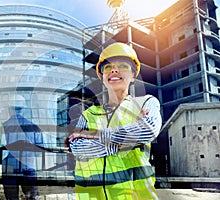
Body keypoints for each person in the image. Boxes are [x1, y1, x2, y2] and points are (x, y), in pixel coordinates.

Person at [68, 42, 162, 200]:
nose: (114, 70)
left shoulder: (145, 102)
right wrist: (123, 143)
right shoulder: (88, 114)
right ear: (103, 77)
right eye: (107, 67)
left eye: (123, 65)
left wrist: (97, 134)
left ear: (133, 75)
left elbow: (148, 130)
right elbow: (78, 148)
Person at [1, 94, 43, 200]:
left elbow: (0, 151)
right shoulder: (34, 127)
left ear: (10, 109)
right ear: (23, 109)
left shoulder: (3, 127)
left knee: (11, 198)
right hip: (28, 167)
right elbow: (39, 152)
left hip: (9, 169)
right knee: (32, 197)